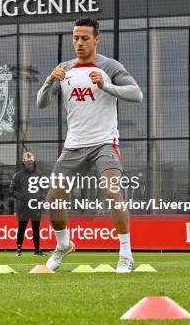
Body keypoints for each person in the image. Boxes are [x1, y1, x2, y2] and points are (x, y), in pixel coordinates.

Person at [36, 17, 143, 273]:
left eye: (85, 38)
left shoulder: (110, 66)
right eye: (75, 38)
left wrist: (106, 85)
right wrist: (50, 80)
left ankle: (126, 255)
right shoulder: (64, 68)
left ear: (96, 39)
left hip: (105, 143)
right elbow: (41, 103)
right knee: (53, 198)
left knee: (111, 192)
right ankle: (63, 245)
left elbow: (136, 94)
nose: (79, 43)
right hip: (73, 146)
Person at [10, 152, 46, 256]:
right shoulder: (18, 175)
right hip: (23, 207)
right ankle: (18, 249)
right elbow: (11, 190)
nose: (29, 163)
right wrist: (22, 197)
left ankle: (37, 250)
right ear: (24, 162)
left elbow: (45, 188)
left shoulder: (39, 174)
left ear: (33, 161)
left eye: (31, 161)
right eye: (27, 161)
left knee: (36, 229)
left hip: (35, 206)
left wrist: (41, 198)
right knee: (21, 228)